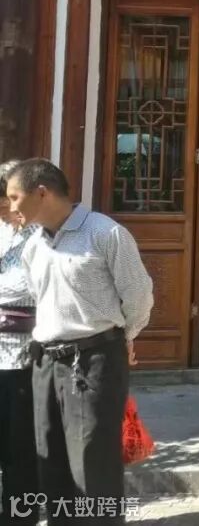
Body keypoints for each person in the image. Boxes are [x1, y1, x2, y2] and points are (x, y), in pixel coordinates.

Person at [7, 159, 153, 526]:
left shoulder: (105, 234)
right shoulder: (33, 246)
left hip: (94, 360)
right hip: (45, 362)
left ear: (42, 193)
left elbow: (138, 296)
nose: (10, 206)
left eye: (14, 197)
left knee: (93, 464)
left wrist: (124, 338)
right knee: (51, 460)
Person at [0, 161, 40, 524]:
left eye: (10, 201)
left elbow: (30, 288)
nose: (7, 209)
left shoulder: (42, 236)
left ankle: (20, 517)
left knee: (20, 446)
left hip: (24, 357)